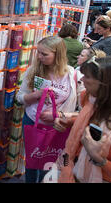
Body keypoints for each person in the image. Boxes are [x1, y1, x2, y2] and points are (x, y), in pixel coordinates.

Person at [16, 36, 82, 183]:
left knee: (49, 163)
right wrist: (36, 95)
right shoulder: (34, 70)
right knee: (32, 161)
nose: (39, 57)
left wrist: (59, 115)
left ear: (57, 55)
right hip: (32, 122)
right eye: (38, 52)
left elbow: (82, 110)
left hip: (57, 127)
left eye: (44, 54)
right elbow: (20, 97)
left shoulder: (72, 75)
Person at [58, 57, 111, 183]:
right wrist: (68, 121)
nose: (81, 79)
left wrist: (99, 159)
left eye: (87, 77)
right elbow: (89, 122)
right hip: (73, 168)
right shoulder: (90, 99)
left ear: (107, 84)